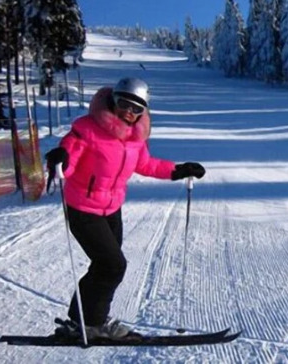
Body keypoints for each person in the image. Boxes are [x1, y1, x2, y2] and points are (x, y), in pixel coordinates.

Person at [45, 77, 205, 340]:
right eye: (123, 104)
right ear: (113, 101)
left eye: (136, 108)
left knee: (104, 266)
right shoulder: (86, 129)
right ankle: (93, 324)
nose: (129, 112)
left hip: (111, 210)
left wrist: (178, 170)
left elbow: (146, 164)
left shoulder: (135, 138)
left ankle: (81, 320)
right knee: (112, 265)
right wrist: (61, 159)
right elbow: (69, 159)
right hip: (83, 209)